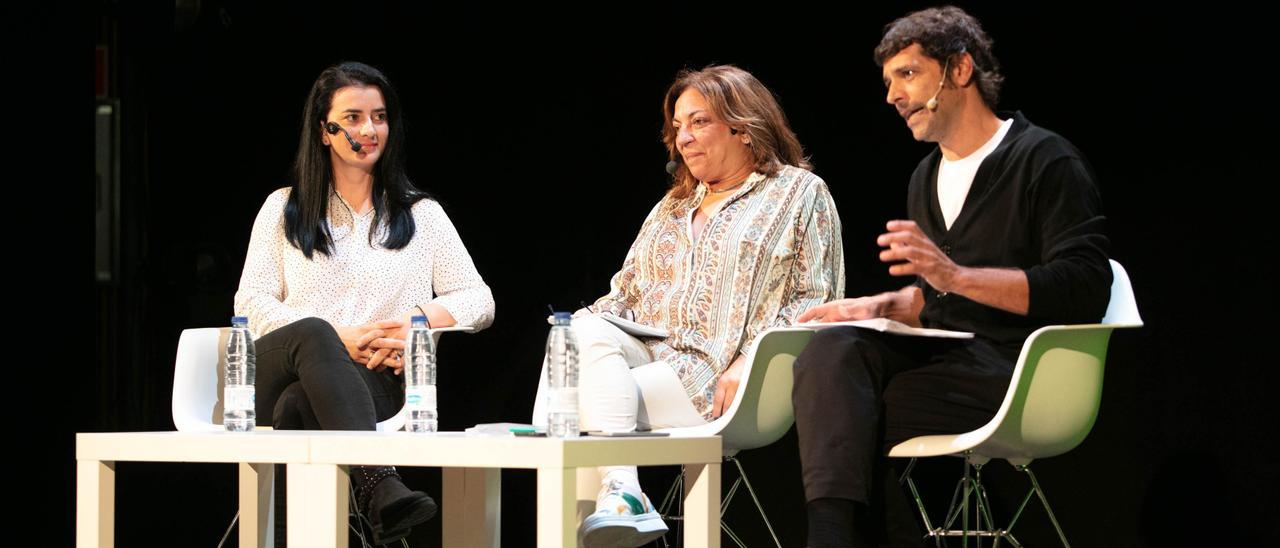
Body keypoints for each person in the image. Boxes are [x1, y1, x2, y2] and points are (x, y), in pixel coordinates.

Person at [791, 6, 1113, 547]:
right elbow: (938, 299)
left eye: (908, 74)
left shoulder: (1045, 160)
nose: (893, 95)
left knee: (853, 412)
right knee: (829, 355)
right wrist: (879, 307)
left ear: (959, 70)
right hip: (949, 361)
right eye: (888, 81)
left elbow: (1085, 287)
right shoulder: (926, 177)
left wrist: (953, 274)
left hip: (1023, 368)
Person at [533, 64, 845, 547]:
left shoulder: (799, 193)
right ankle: (624, 489)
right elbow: (625, 293)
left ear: (743, 126)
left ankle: (612, 502)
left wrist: (753, 355)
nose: (684, 138)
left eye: (699, 122)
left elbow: (816, 301)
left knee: (572, 409)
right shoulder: (672, 206)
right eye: (678, 127)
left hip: (719, 376)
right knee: (578, 334)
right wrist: (578, 336)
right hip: (642, 361)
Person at [233, 61, 495, 545]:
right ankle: (381, 483)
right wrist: (337, 338)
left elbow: (479, 299)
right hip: (279, 367)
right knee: (314, 335)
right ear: (325, 131)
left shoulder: (421, 215)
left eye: (379, 117)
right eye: (353, 118)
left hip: (370, 381)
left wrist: (415, 322)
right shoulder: (283, 209)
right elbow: (249, 303)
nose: (369, 129)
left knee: (299, 406)